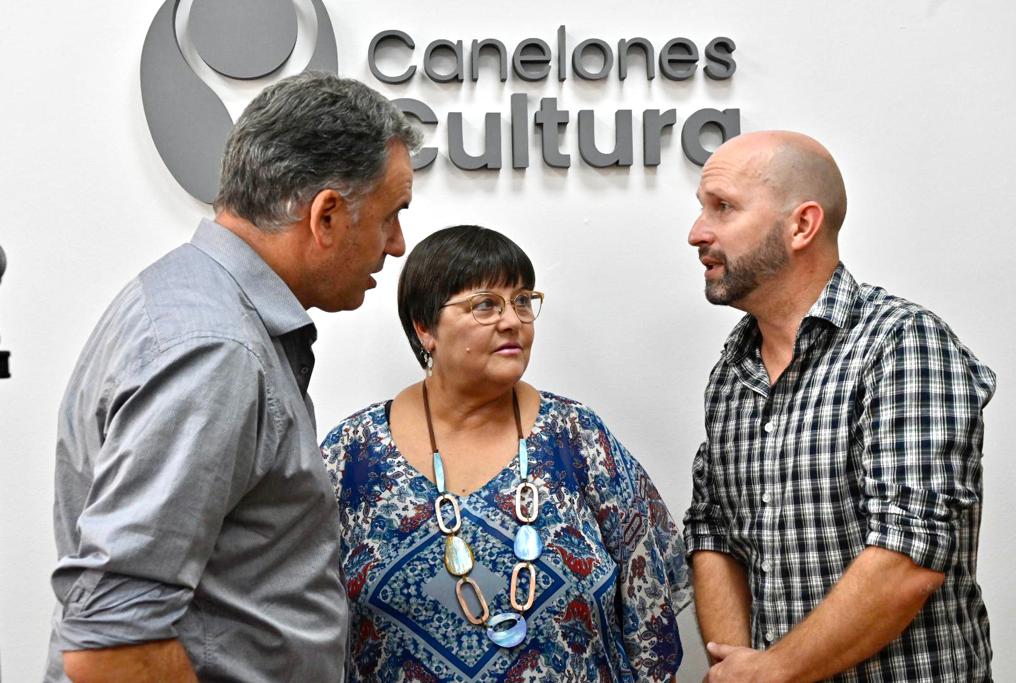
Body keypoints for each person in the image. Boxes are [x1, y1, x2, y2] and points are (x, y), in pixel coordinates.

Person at [46, 72, 420, 682]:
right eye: (390, 216)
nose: (398, 245)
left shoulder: (188, 305)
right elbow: (114, 642)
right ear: (326, 216)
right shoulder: (216, 350)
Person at [683, 130, 995, 682]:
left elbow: (907, 559)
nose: (697, 233)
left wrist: (773, 671)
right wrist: (742, 671)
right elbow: (712, 535)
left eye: (723, 208)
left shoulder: (902, 344)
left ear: (802, 225)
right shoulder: (732, 372)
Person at [321, 225, 691, 682]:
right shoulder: (351, 456)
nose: (512, 320)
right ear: (424, 328)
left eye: (521, 301)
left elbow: (652, 616)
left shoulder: (578, 438)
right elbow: (298, 617)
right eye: (484, 305)